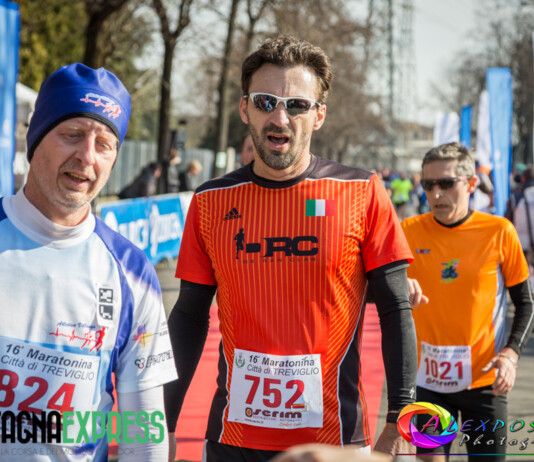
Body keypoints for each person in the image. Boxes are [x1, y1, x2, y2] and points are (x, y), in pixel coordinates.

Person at [164, 35, 418, 461]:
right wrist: (165, 422)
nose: (279, 118)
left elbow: (395, 309)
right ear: (244, 109)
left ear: (318, 115)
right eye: (265, 102)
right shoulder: (210, 201)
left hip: (334, 440)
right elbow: (189, 317)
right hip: (232, 439)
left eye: (297, 105)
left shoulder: (362, 192)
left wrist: (400, 417)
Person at [0, 63, 177, 461]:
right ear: (35, 139)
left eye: (104, 144)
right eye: (72, 135)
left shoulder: (132, 271)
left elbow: (144, 433)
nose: (86, 156)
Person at [401, 142, 534, 462]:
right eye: (428, 184)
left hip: (485, 382)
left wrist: (511, 355)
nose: (436, 193)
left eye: (447, 183)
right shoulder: (408, 231)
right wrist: (396, 284)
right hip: (427, 382)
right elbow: (374, 290)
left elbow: (526, 303)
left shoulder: (498, 231)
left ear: (471, 183)